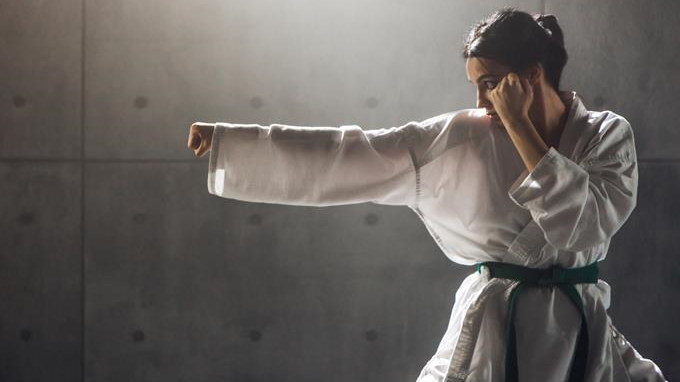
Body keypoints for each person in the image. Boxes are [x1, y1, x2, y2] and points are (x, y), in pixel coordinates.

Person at [186, 7, 667, 382]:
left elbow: (583, 223)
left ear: (532, 75)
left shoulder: (606, 135)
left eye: (490, 84)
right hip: (492, 336)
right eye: (475, 87)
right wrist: (233, 143)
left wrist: (520, 125)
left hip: (581, 331)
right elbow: (354, 153)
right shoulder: (466, 135)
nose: (480, 102)